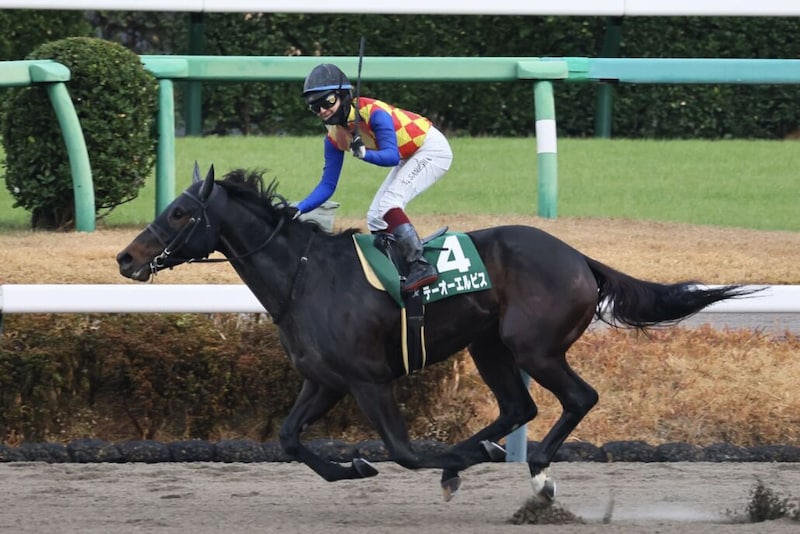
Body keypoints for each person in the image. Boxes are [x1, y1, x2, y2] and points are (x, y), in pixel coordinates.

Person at [295, 63, 453, 294]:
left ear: (343, 96)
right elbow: (327, 186)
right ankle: (397, 269)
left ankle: (420, 265)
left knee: (389, 203)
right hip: (408, 155)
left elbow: (391, 156)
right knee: (375, 218)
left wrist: (364, 154)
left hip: (431, 150)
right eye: (315, 107)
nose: (323, 111)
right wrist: (299, 208)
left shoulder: (374, 112)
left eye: (327, 102)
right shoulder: (334, 138)